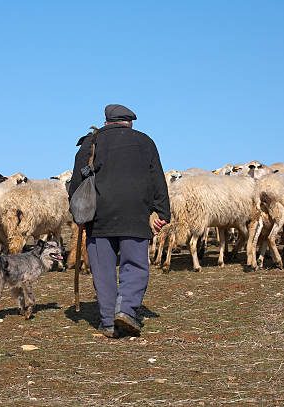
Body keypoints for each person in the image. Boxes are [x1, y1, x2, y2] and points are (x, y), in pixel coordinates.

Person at [68, 104, 170, 338]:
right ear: (130, 123)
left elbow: (76, 181)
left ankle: (108, 322)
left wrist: (78, 215)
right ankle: (125, 310)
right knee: (135, 265)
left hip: (98, 215)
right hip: (135, 213)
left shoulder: (91, 142)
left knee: (102, 269)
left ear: (105, 122)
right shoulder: (145, 142)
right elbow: (157, 178)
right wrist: (162, 212)